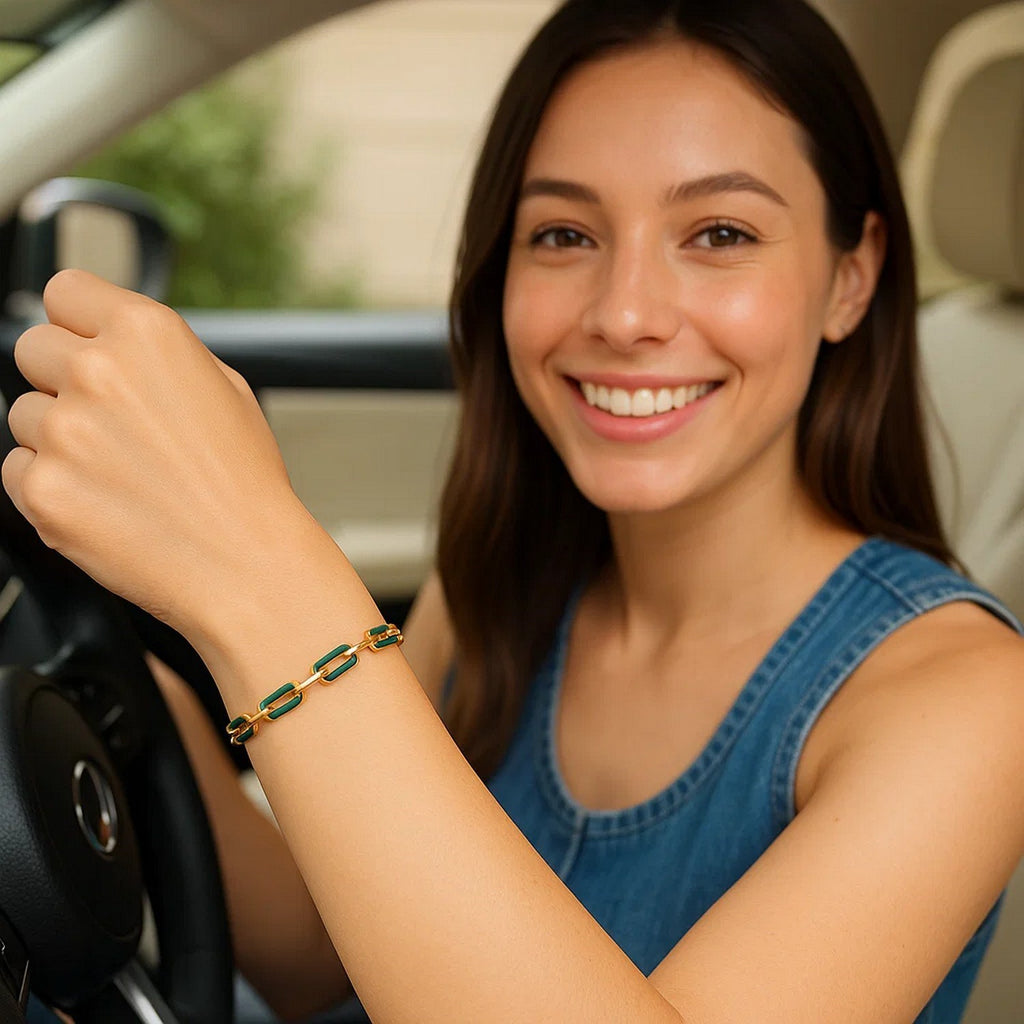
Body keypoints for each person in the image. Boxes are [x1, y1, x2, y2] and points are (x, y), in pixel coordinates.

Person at [7, 0, 1024, 1021]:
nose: (624, 314)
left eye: (720, 233)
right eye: (563, 234)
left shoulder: (967, 700)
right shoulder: (504, 579)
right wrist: (127, 695)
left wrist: (260, 578)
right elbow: (324, 954)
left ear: (851, 277)